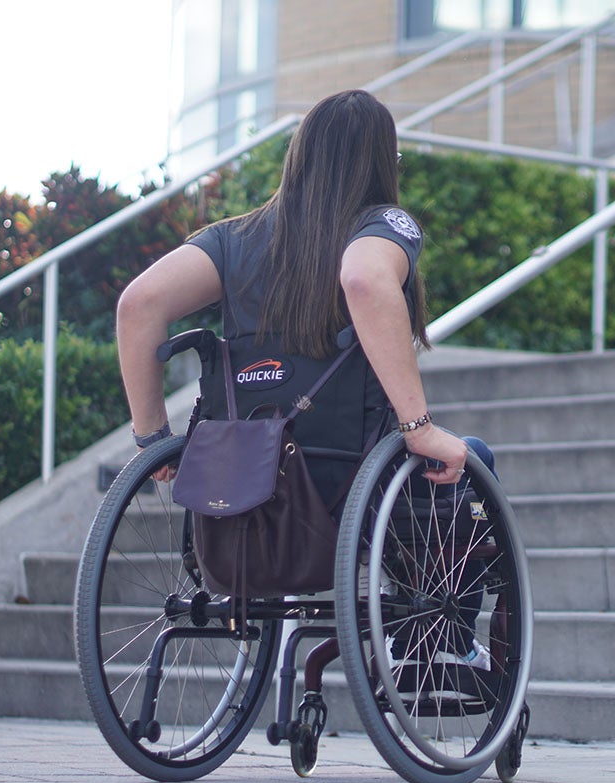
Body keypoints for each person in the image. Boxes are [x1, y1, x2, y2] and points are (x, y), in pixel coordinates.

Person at [115, 89, 469, 491]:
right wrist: (418, 428)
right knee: (475, 456)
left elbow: (138, 305)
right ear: (383, 165)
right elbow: (364, 279)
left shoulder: (232, 238)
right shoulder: (383, 224)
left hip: (243, 469)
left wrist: (152, 440)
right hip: (349, 466)